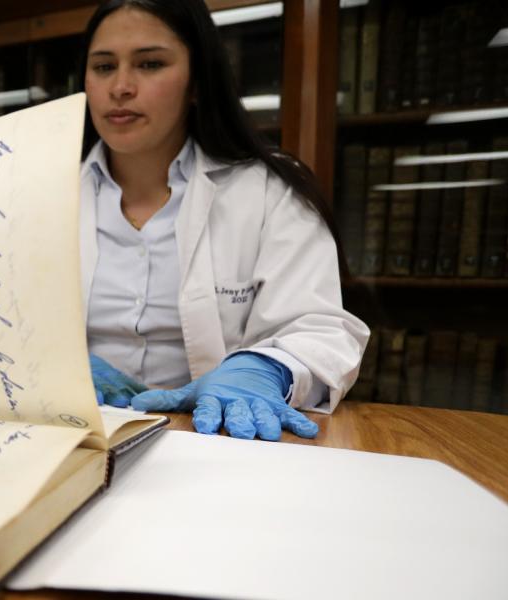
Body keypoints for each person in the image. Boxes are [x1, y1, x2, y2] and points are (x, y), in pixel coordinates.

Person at [80, 0, 369, 440]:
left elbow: (321, 329)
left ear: (198, 81)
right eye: (103, 67)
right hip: (75, 436)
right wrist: (47, 365)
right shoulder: (35, 192)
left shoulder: (270, 190)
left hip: (216, 438)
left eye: (150, 64)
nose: (120, 87)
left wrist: (263, 369)